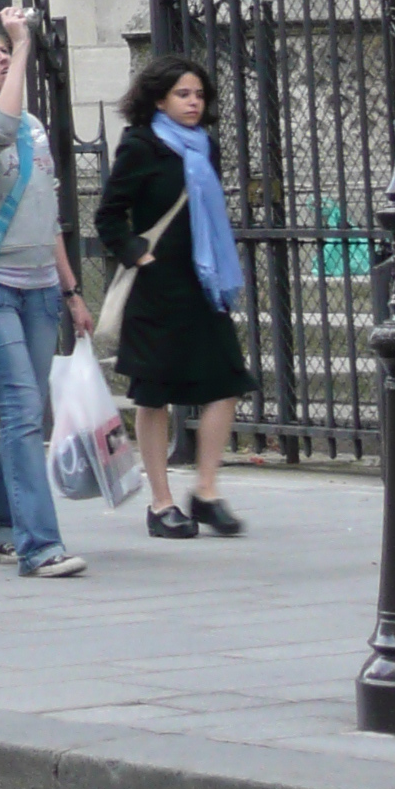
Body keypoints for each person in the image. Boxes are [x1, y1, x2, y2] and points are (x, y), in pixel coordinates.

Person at [0, 8, 94, 581]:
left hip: (40, 288)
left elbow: (46, 212)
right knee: (23, 409)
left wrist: (71, 290)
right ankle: (39, 546)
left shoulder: (31, 126)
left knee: (28, 411)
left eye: (6, 51)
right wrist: (26, 43)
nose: (3, 58)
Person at [95, 53, 255, 539]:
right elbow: (108, 215)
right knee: (154, 393)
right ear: (159, 98)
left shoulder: (205, 145)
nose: (193, 103)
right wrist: (135, 253)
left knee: (227, 381)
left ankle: (206, 491)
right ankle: (160, 503)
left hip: (203, 283)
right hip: (157, 287)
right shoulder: (142, 145)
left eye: (199, 95)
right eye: (183, 94)